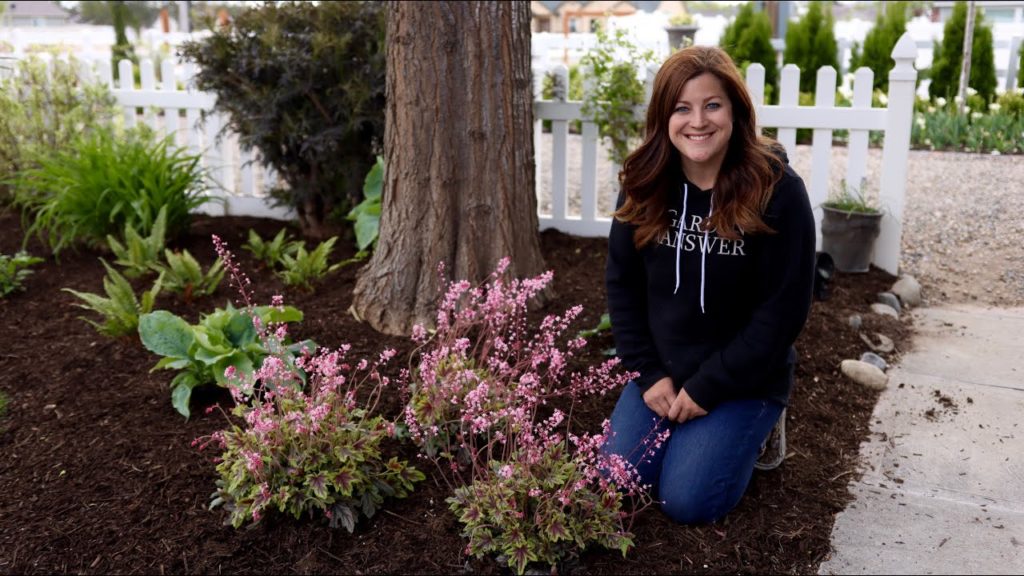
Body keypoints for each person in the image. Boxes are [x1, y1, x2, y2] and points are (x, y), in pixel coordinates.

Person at [603, 45, 816, 525]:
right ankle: (687, 433)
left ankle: (759, 428)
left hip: (743, 378)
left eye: (711, 105)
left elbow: (782, 313)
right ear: (665, 117)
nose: (697, 121)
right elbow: (622, 285)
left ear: (735, 110)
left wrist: (708, 387)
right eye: (682, 108)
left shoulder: (777, 191)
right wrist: (648, 373)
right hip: (663, 372)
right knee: (619, 483)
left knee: (688, 500)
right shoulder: (645, 183)